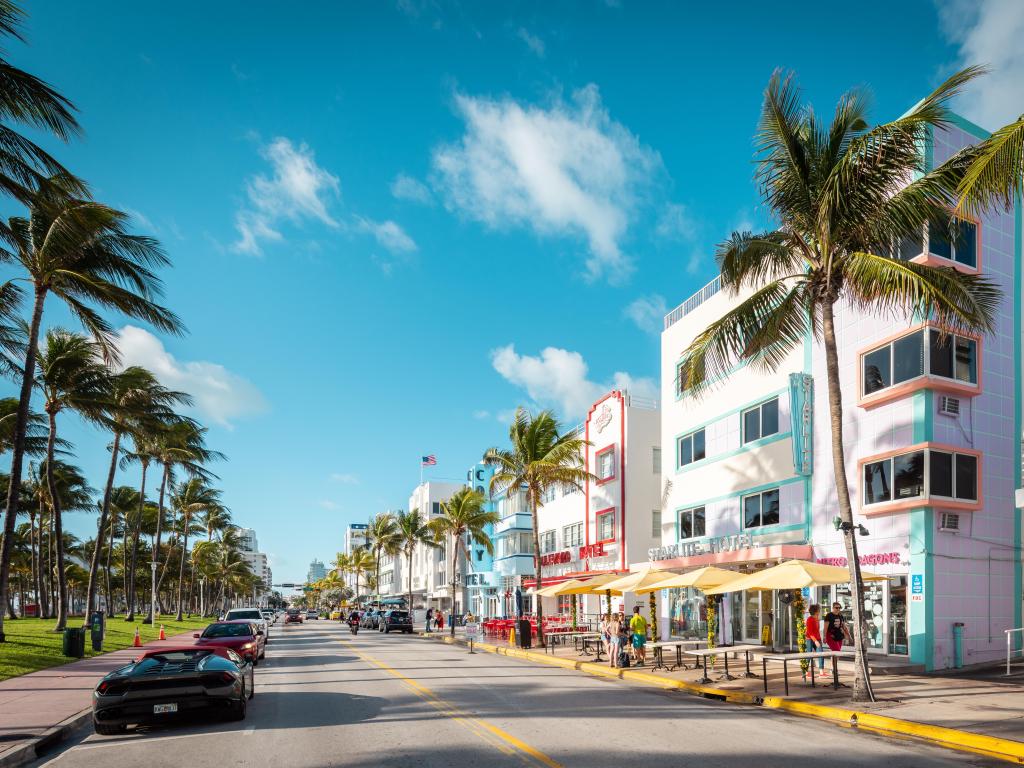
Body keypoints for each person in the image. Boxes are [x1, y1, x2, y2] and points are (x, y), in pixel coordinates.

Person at [804, 604, 824, 679]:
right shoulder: (810, 620)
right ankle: (806, 672)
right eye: (819, 610)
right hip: (810, 639)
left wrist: (819, 639)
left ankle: (821, 672)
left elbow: (817, 631)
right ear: (816, 611)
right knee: (809, 655)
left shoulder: (817, 618)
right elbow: (810, 632)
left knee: (821, 653)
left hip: (817, 639)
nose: (820, 611)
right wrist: (815, 641)